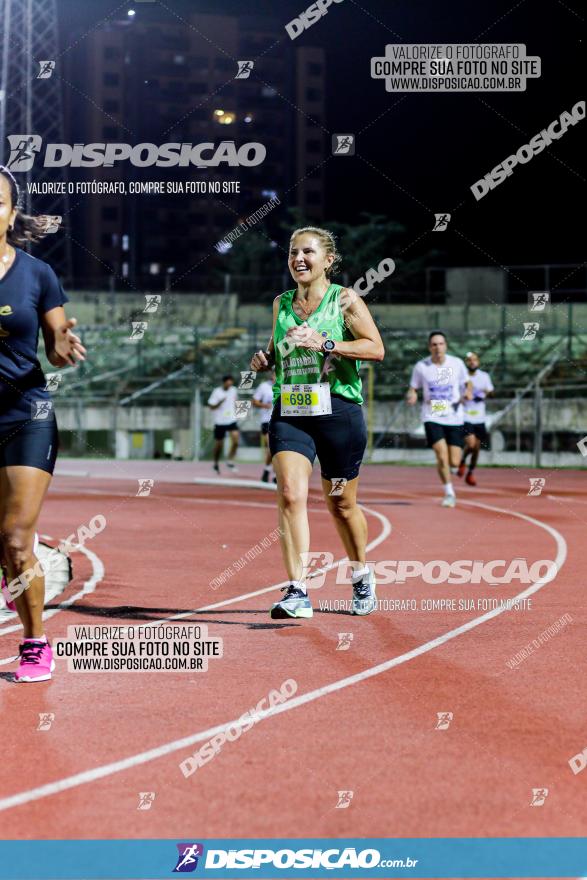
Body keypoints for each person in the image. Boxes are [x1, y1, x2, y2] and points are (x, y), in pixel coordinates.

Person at [249, 225, 385, 619]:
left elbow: (375, 348)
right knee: (291, 493)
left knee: (341, 503)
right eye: (293, 252)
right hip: (291, 409)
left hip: (338, 410)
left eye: (307, 252)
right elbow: (278, 349)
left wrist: (326, 343)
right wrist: (265, 359)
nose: (298, 259)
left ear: (329, 260)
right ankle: (297, 590)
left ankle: (360, 573)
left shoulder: (345, 301)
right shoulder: (281, 303)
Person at [0, 165, 86, 682]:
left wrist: (62, 345)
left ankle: (34, 642)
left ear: (11, 213)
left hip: (25, 413)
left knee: (15, 538)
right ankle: (14, 582)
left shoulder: (37, 274)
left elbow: (55, 349)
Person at [406, 331, 472, 508]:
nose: (438, 347)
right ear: (429, 347)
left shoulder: (457, 363)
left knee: (454, 462)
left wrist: (468, 391)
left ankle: (457, 464)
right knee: (441, 456)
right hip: (432, 415)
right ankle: (449, 493)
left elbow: (467, 382)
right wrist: (412, 395)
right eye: (434, 344)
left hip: (454, 415)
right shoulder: (422, 366)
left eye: (441, 344)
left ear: (446, 346)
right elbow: (413, 387)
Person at [458, 351, 494, 486]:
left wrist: (487, 393)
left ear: (478, 362)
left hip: (480, 417)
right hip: (465, 416)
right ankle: (462, 462)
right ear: (466, 363)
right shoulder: (461, 378)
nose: (472, 362)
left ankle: (471, 472)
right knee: (471, 444)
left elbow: (491, 392)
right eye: (469, 360)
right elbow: (455, 395)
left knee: (476, 448)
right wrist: (463, 397)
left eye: (474, 360)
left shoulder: (484, 377)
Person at [207, 374, 239, 474]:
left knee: (235, 441)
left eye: (231, 383)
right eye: (228, 383)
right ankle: (215, 464)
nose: (229, 385)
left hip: (231, 420)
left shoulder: (234, 390)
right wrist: (220, 402)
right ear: (224, 382)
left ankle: (230, 460)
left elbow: (235, 401)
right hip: (220, 421)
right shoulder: (217, 392)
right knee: (219, 445)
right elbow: (211, 407)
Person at [252, 369, 275, 482]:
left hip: (282, 421)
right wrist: (265, 405)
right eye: (274, 372)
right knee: (271, 447)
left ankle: (271, 473)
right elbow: (254, 401)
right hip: (267, 421)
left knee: (278, 449)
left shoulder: (287, 383)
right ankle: (268, 471)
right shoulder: (264, 386)